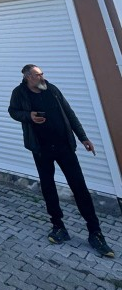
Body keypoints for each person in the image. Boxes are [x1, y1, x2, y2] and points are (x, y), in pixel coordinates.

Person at [8, 64, 114, 258]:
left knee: (79, 187)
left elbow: (69, 113)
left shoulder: (52, 89)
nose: (42, 77)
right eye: (38, 75)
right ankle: (58, 227)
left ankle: (95, 232)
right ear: (27, 77)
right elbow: (13, 111)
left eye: (42, 74)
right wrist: (28, 116)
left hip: (64, 147)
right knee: (48, 187)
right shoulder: (19, 93)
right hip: (41, 150)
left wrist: (83, 138)